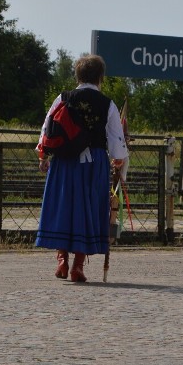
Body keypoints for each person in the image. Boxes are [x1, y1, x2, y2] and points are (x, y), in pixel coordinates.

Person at [36, 54, 128, 282]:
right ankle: (78, 266)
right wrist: (119, 160)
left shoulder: (63, 97)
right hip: (93, 163)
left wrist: (43, 156)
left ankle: (61, 261)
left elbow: (47, 127)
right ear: (100, 77)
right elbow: (117, 141)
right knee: (86, 210)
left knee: (64, 207)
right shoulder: (107, 104)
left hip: (63, 162)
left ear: (77, 76)